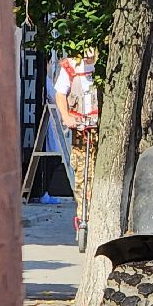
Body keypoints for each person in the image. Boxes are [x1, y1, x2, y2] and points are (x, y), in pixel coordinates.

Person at [54, 47, 98, 203]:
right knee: (82, 174)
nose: (89, 55)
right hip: (80, 128)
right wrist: (66, 117)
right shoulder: (71, 66)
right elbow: (60, 94)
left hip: (99, 128)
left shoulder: (104, 65)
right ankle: (82, 216)